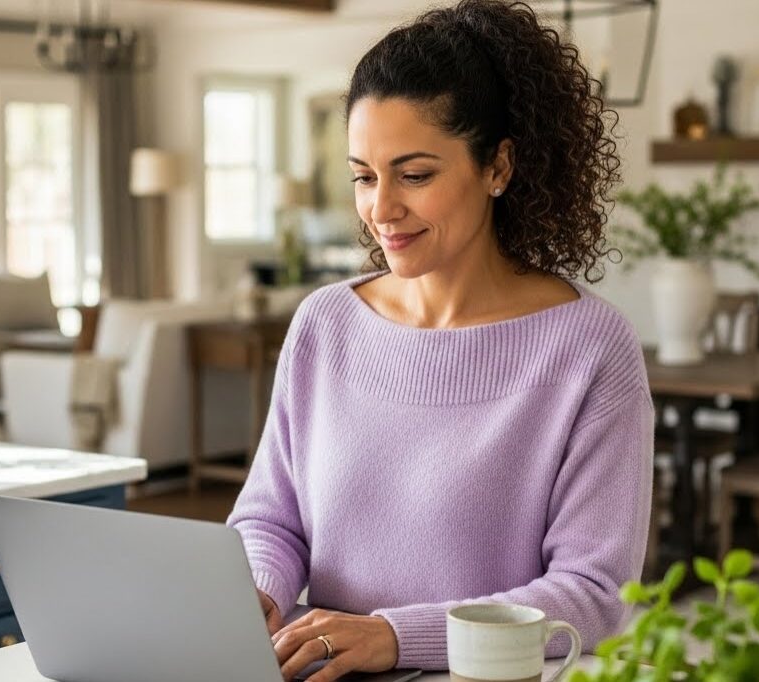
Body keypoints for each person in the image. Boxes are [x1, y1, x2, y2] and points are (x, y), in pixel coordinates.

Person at [224, 2, 653, 680]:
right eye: (364, 175)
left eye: (414, 174)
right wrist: (256, 593)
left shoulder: (588, 347)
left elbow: (593, 594)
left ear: (497, 167)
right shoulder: (324, 323)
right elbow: (271, 520)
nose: (380, 209)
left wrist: (392, 637)